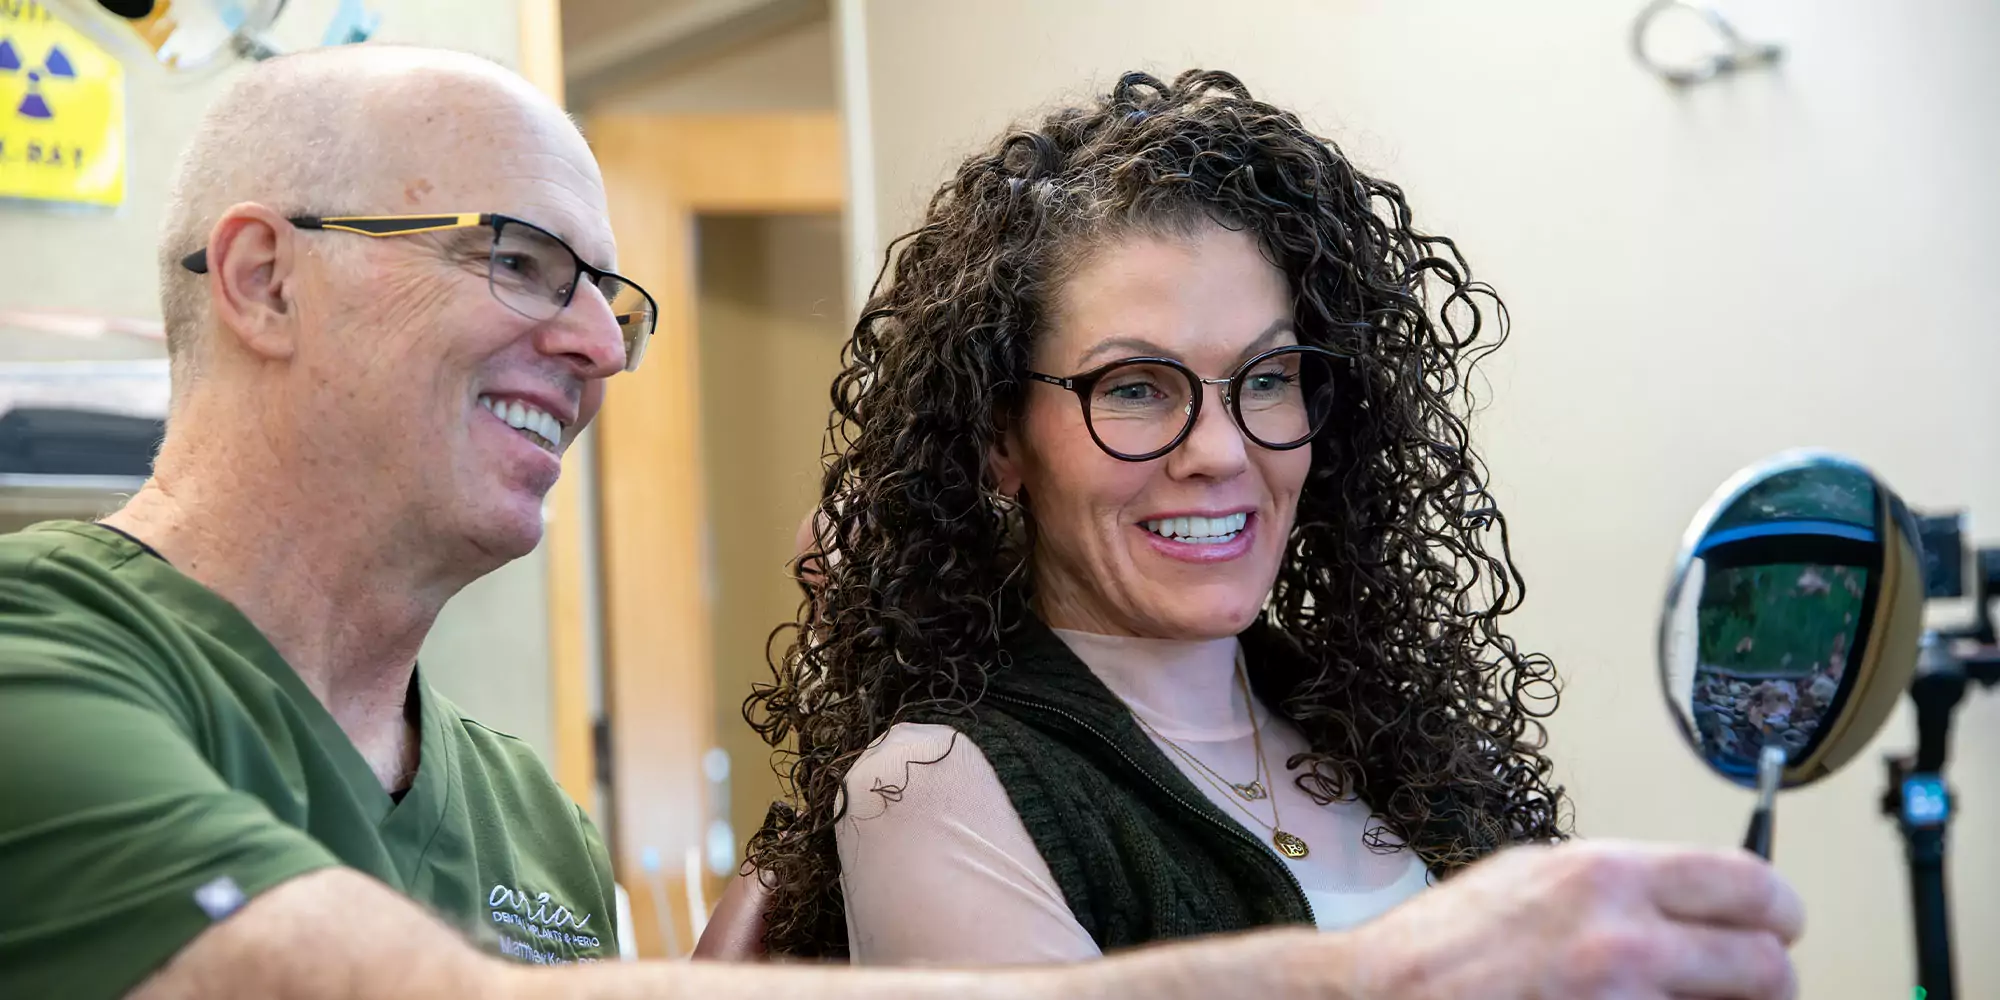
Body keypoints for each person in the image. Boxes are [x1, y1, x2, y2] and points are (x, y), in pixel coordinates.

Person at [0, 44, 1800, 1000]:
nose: (587, 341)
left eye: (607, 295)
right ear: (259, 277)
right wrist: (1386, 985)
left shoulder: (528, 832)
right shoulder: (39, 667)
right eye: (523, 261)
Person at [743, 65, 1798, 986]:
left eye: (1266, 376)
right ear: (999, 442)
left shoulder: (1376, 739)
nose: (1218, 449)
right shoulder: (932, 786)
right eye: (1135, 387)